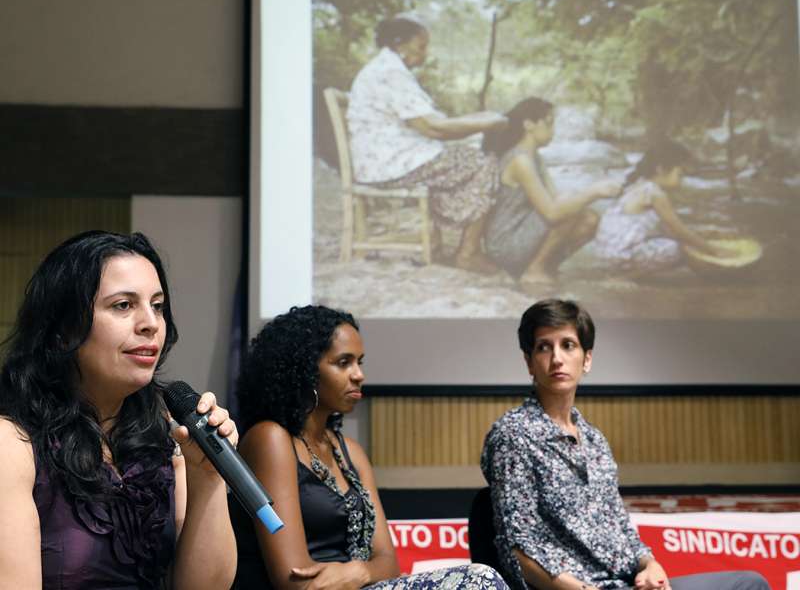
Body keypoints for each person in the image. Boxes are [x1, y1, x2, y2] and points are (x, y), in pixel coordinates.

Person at [0, 231, 237, 589]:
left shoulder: (166, 437)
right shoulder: (12, 444)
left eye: (157, 306)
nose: (151, 323)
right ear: (62, 330)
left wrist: (209, 478)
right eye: (123, 305)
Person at [480, 299, 770, 590]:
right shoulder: (513, 435)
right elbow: (518, 547)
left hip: (624, 584)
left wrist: (650, 566)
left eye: (568, 345)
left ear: (587, 359)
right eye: (544, 347)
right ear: (529, 362)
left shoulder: (594, 440)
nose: (557, 358)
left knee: (748, 583)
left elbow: (620, 530)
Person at [233, 305, 509, 590]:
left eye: (359, 362)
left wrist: (357, 572)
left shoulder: (350, 452)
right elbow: (294, 578)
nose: (359, 375)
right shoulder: (270, 439)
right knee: (479, 581)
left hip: (358, 586)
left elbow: (389, 563)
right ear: (303, 370)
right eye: (343, 363)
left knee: (480, 578)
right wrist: (363, 573)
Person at [347, 16, 508, 274]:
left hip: (385, 160)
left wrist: (479, 121)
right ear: (400, 44)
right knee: (484, 161)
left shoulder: (385, 68)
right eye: (421, 46)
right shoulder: (390, 73)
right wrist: (485, 123)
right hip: (388, 165)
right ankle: (468, 253)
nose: (425, 53)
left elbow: (434, 124)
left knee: (466, 156)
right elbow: (433, 128)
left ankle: (454, 240)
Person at [481, 98, 620, 290]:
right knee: (568, 207)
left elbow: (555, 198)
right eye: (549, 123)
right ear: (528, 125)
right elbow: (552, 213)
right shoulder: (520, 160)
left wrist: (584, 196)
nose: (553, 131)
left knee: (589, 218)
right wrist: (593, 192)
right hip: (505, 244)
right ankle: (534, 269)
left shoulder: (534, 157)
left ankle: (545, 266)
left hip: (522, 234)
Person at [588, 140, 733, 275]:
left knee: (679, 241)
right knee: (679, 249)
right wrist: (714, 250)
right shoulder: (654, 193)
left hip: (605, 254)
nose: (681, 180)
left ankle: (622, 272)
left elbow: (663, 228)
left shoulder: (637, 184)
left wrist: (705, 233)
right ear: (661, 169)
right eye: (680, 174)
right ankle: (627, 276)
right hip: (620, 256)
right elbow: (678, 230)